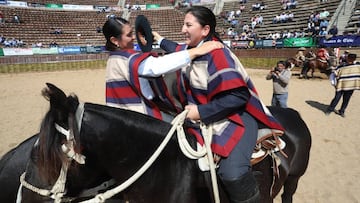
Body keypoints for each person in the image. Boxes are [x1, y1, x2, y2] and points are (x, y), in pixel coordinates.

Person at [155, 6, 284, 202]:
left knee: (233, 174)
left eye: (188, 25)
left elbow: (239, 96)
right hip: (204, 117)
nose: (183, 29)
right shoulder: (195, 48)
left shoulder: (218, 54)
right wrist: (158, 39)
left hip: (235, 117)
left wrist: (201, 111)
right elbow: (176, 49)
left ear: (205, 30)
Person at [102, 16, 223, 121]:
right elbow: (157, 66)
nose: (133, 37)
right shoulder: (127, 59)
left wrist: (159, 40)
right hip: (138, 117)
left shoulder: (115, 58)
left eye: (133, 33)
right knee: (184, 129)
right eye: (129, 35)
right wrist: (198, 51)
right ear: (114, 41)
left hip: (122, 116)